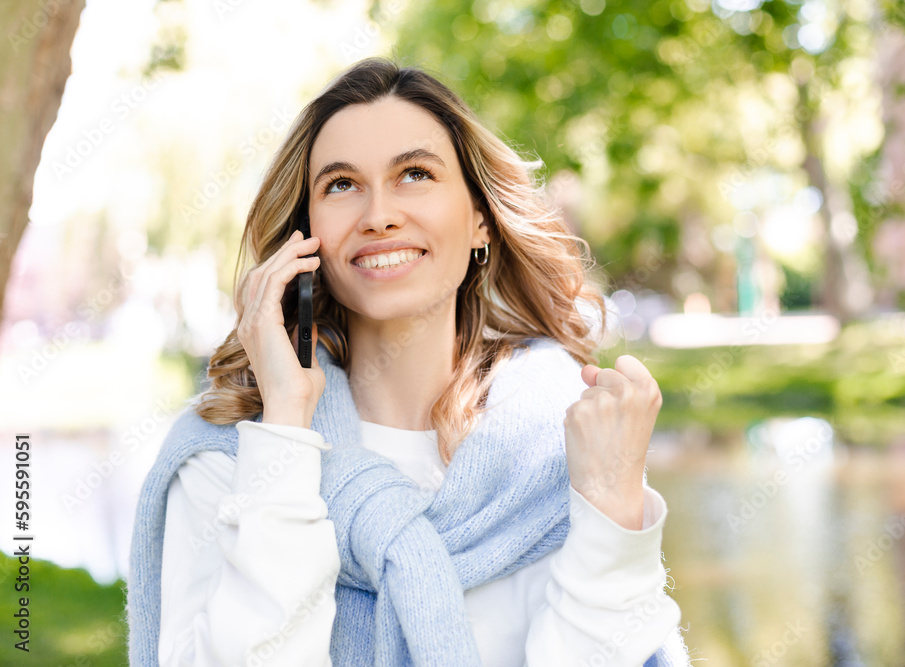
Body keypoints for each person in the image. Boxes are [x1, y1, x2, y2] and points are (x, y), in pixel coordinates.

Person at [125, 57, 691, 666]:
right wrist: (286, 423)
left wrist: (612, 508)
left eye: (415, 174)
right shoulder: (228, 456)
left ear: (480, 220)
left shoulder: (562, 444)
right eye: (341, 185)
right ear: (304, 233)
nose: (378, 216)